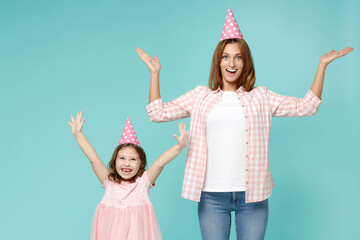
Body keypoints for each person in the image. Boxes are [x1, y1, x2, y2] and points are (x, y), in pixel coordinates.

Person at [136, 7, 353, 240]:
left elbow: (307, 106)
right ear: (218, 62)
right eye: (226, 57)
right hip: (211, 196)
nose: (232, 63)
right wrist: (154, 74)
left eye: (238, 57)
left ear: (245, 61)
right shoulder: (200, 95)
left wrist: (322, 65)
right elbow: (157, 113)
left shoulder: (261, 96)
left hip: (253, 196)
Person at [68, 112, 189, 240]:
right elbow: (93, 158)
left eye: (133, 159)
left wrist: (179, 146)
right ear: (115, 161)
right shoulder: (109, 181)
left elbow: (160, 162)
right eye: (122, 158)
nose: (127, 164)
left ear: (141, 163)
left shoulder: (143, 182)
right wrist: (78, 134)